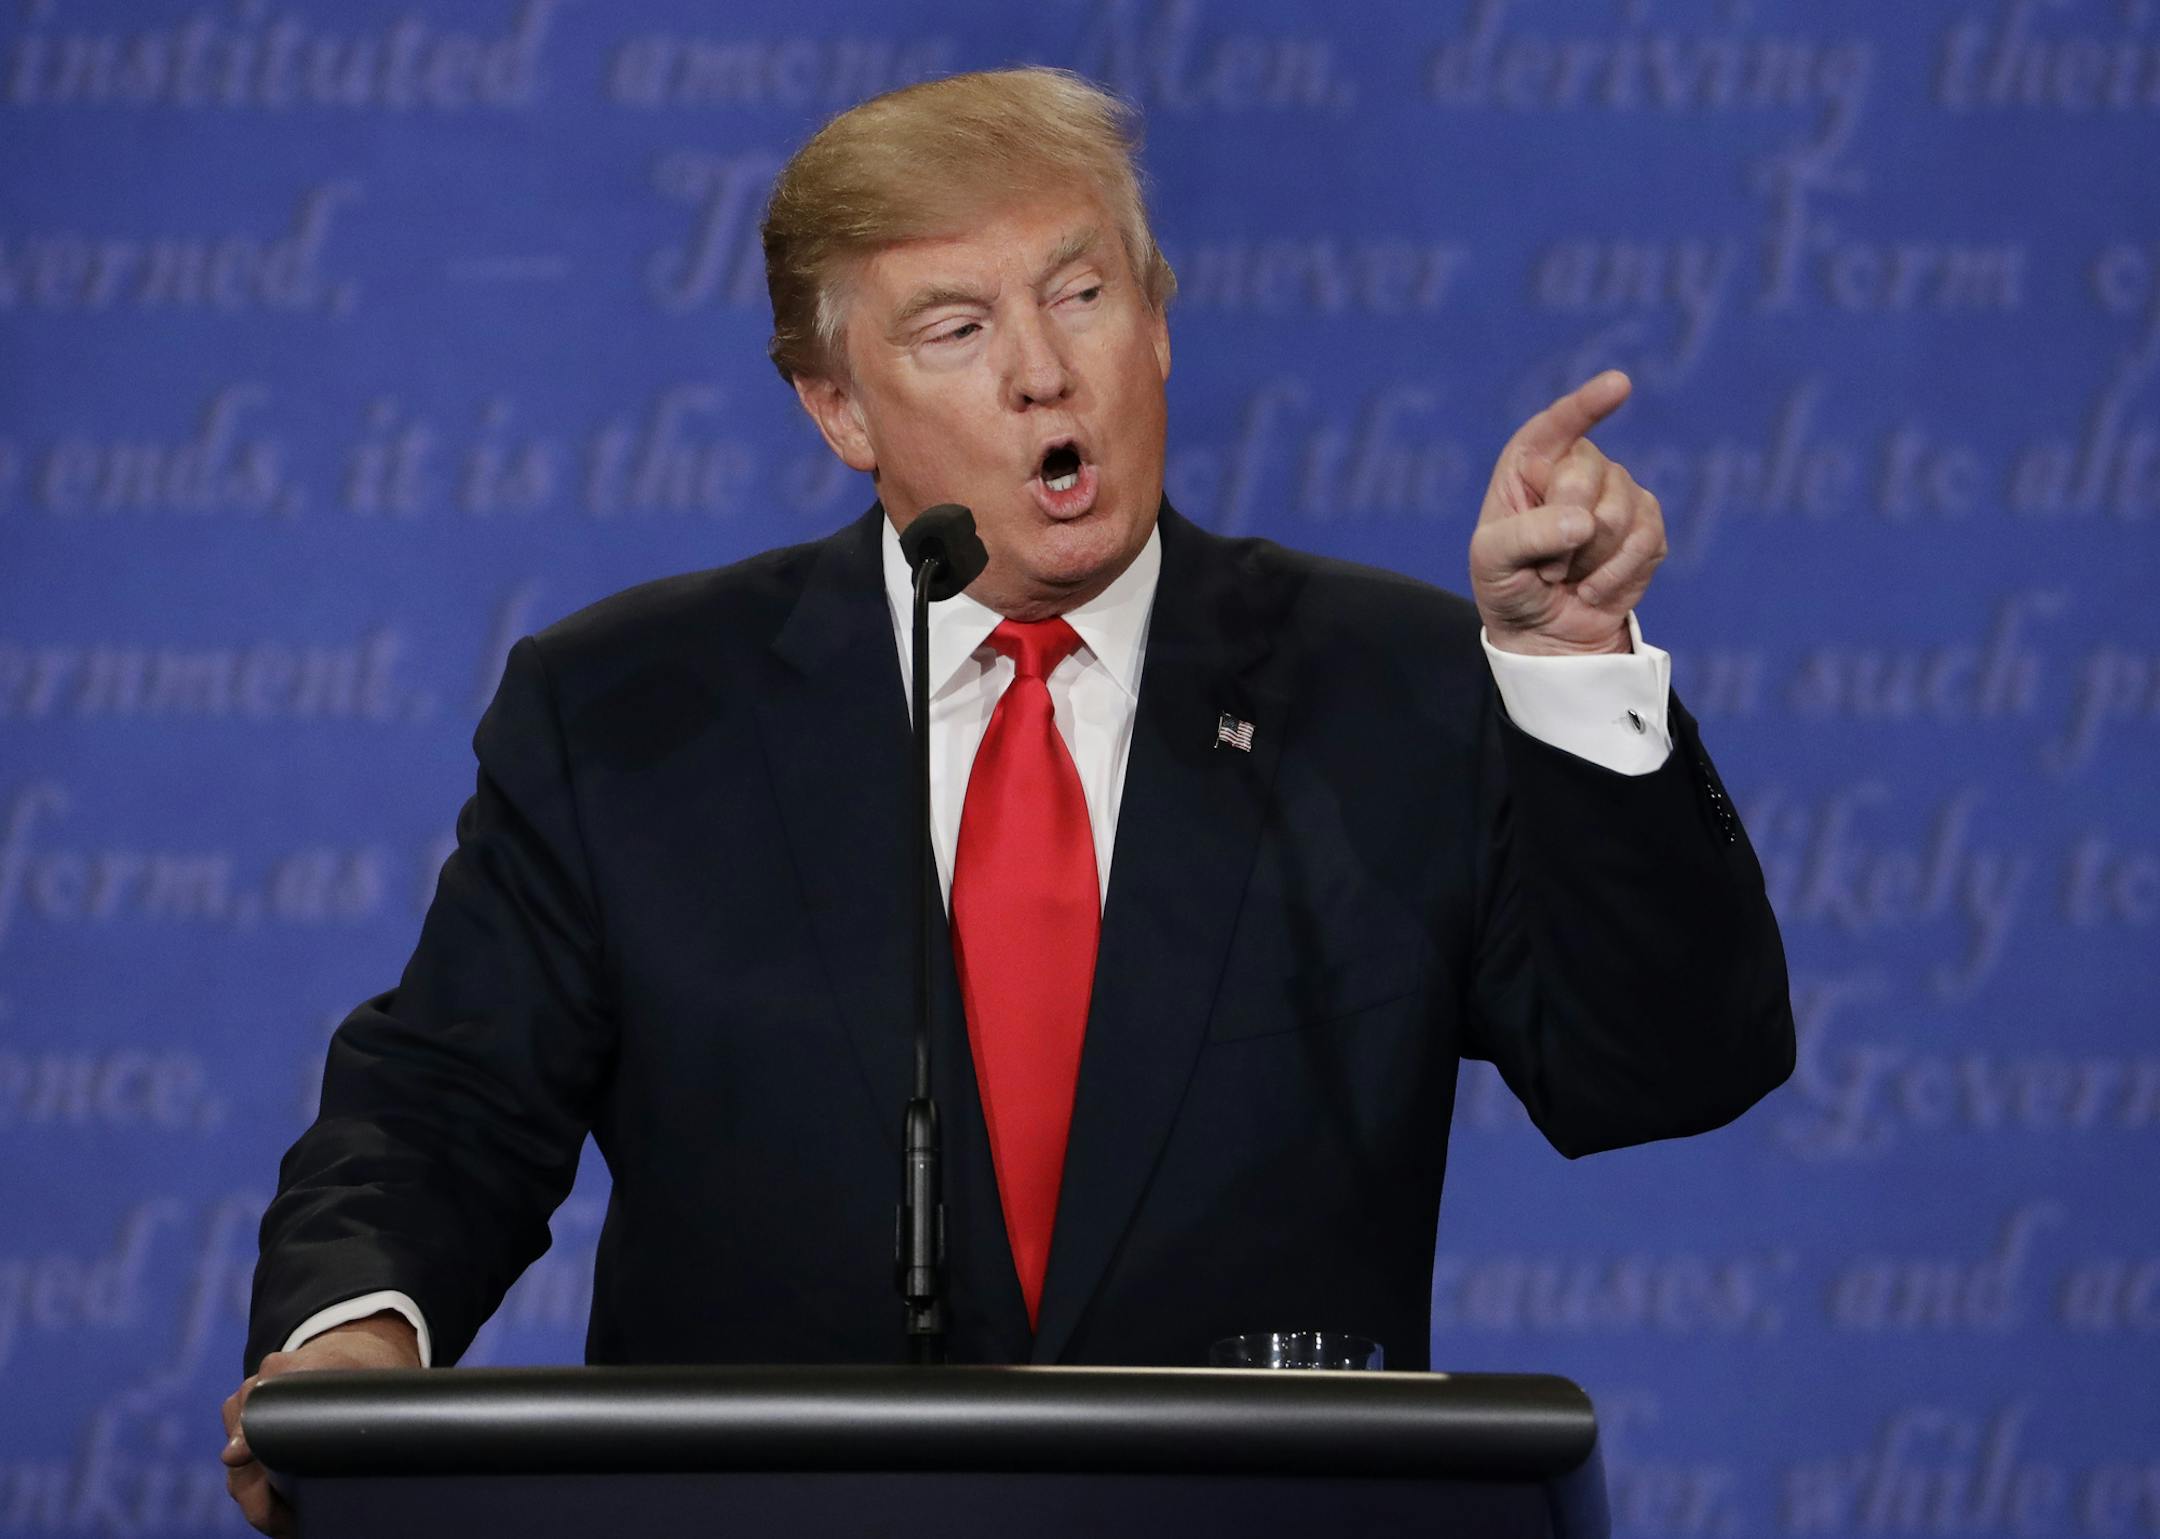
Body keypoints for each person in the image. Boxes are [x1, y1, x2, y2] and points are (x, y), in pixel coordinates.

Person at [222, 67, 1793, 1534]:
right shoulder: (631, 708)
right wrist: (355, 1335)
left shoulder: (1396, 685)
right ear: (839, 407)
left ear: (1157, 324)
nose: (1045, 369)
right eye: (956, 328)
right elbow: (444, 1105)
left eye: (1081, 293)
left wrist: (1575, 674)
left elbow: (1664, 1070)